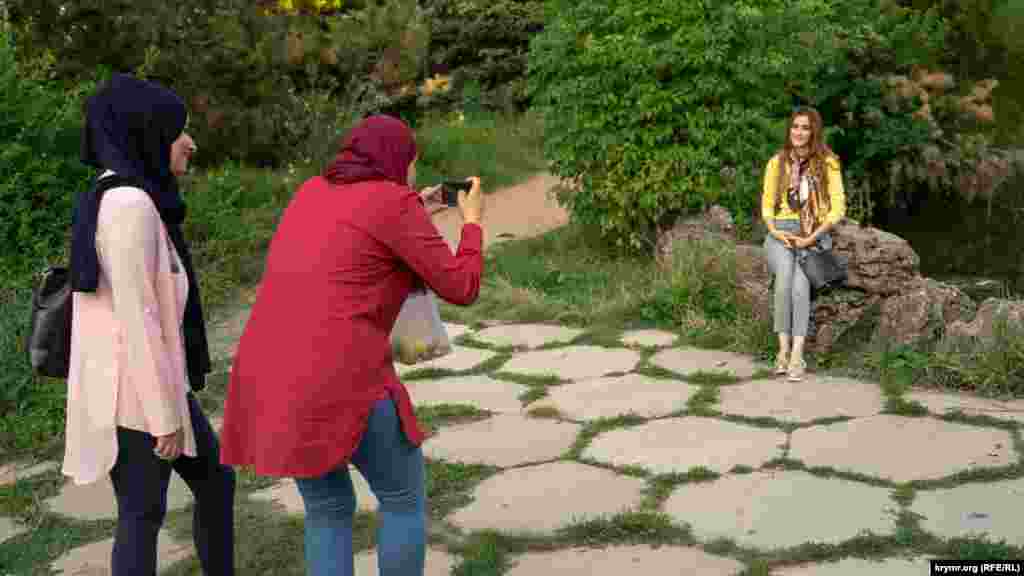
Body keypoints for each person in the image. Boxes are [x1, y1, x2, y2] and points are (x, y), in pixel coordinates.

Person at [219, 114, 485, 576]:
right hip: (340, 379)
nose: (414, 176)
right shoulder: (393, 204)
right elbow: (462, 285)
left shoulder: (311, 192)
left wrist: (412, 208)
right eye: (413, 164)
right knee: (402, 499)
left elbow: (356, 237)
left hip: (271, 378)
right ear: (399, 161)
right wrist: (473, 224)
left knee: (327, 509)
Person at [63, 73, 236, 575]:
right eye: (179, 130)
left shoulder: (124, 195)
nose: (190, 143)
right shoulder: (128, 206)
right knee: (143, 513)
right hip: (135, 397)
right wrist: (164, 417)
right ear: (148, 132)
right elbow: (137, 318)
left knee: (213, 481)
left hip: (152, 386)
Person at [761, 107, 847, 382]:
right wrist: (775, 230)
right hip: (781, 234)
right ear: (790, 130)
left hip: (812, 234)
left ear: (814, 132)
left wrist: (812, 237)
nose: (799, 132)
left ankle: (797, 354)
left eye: (805, 128)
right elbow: (766, 206)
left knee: (799, 287)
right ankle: (782, 351)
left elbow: (838, 209)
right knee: (786, 279)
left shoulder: (828, 163)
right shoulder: (777, 162)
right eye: (795, 127)